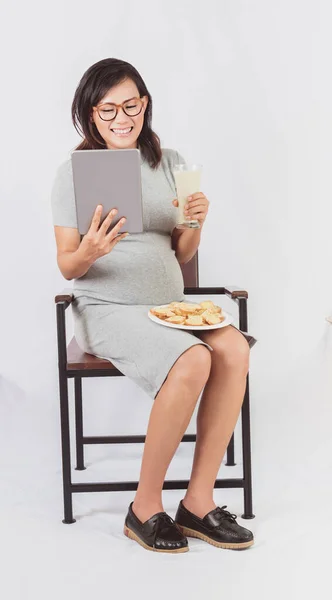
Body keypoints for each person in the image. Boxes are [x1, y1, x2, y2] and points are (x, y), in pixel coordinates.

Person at [51, 57, 256, 554]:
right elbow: (67, 267)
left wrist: (195, 224)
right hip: (107, 308)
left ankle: (199, 502)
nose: (122, 118)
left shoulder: (171, 162)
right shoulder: (73, 174)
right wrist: (91, 251)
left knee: (233, 348)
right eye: (107, 110)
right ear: (89, 114)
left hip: (170, 304)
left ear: (145, 105)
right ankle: (145, 507)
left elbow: (181, 253)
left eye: (131, 105)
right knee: (194, 359)